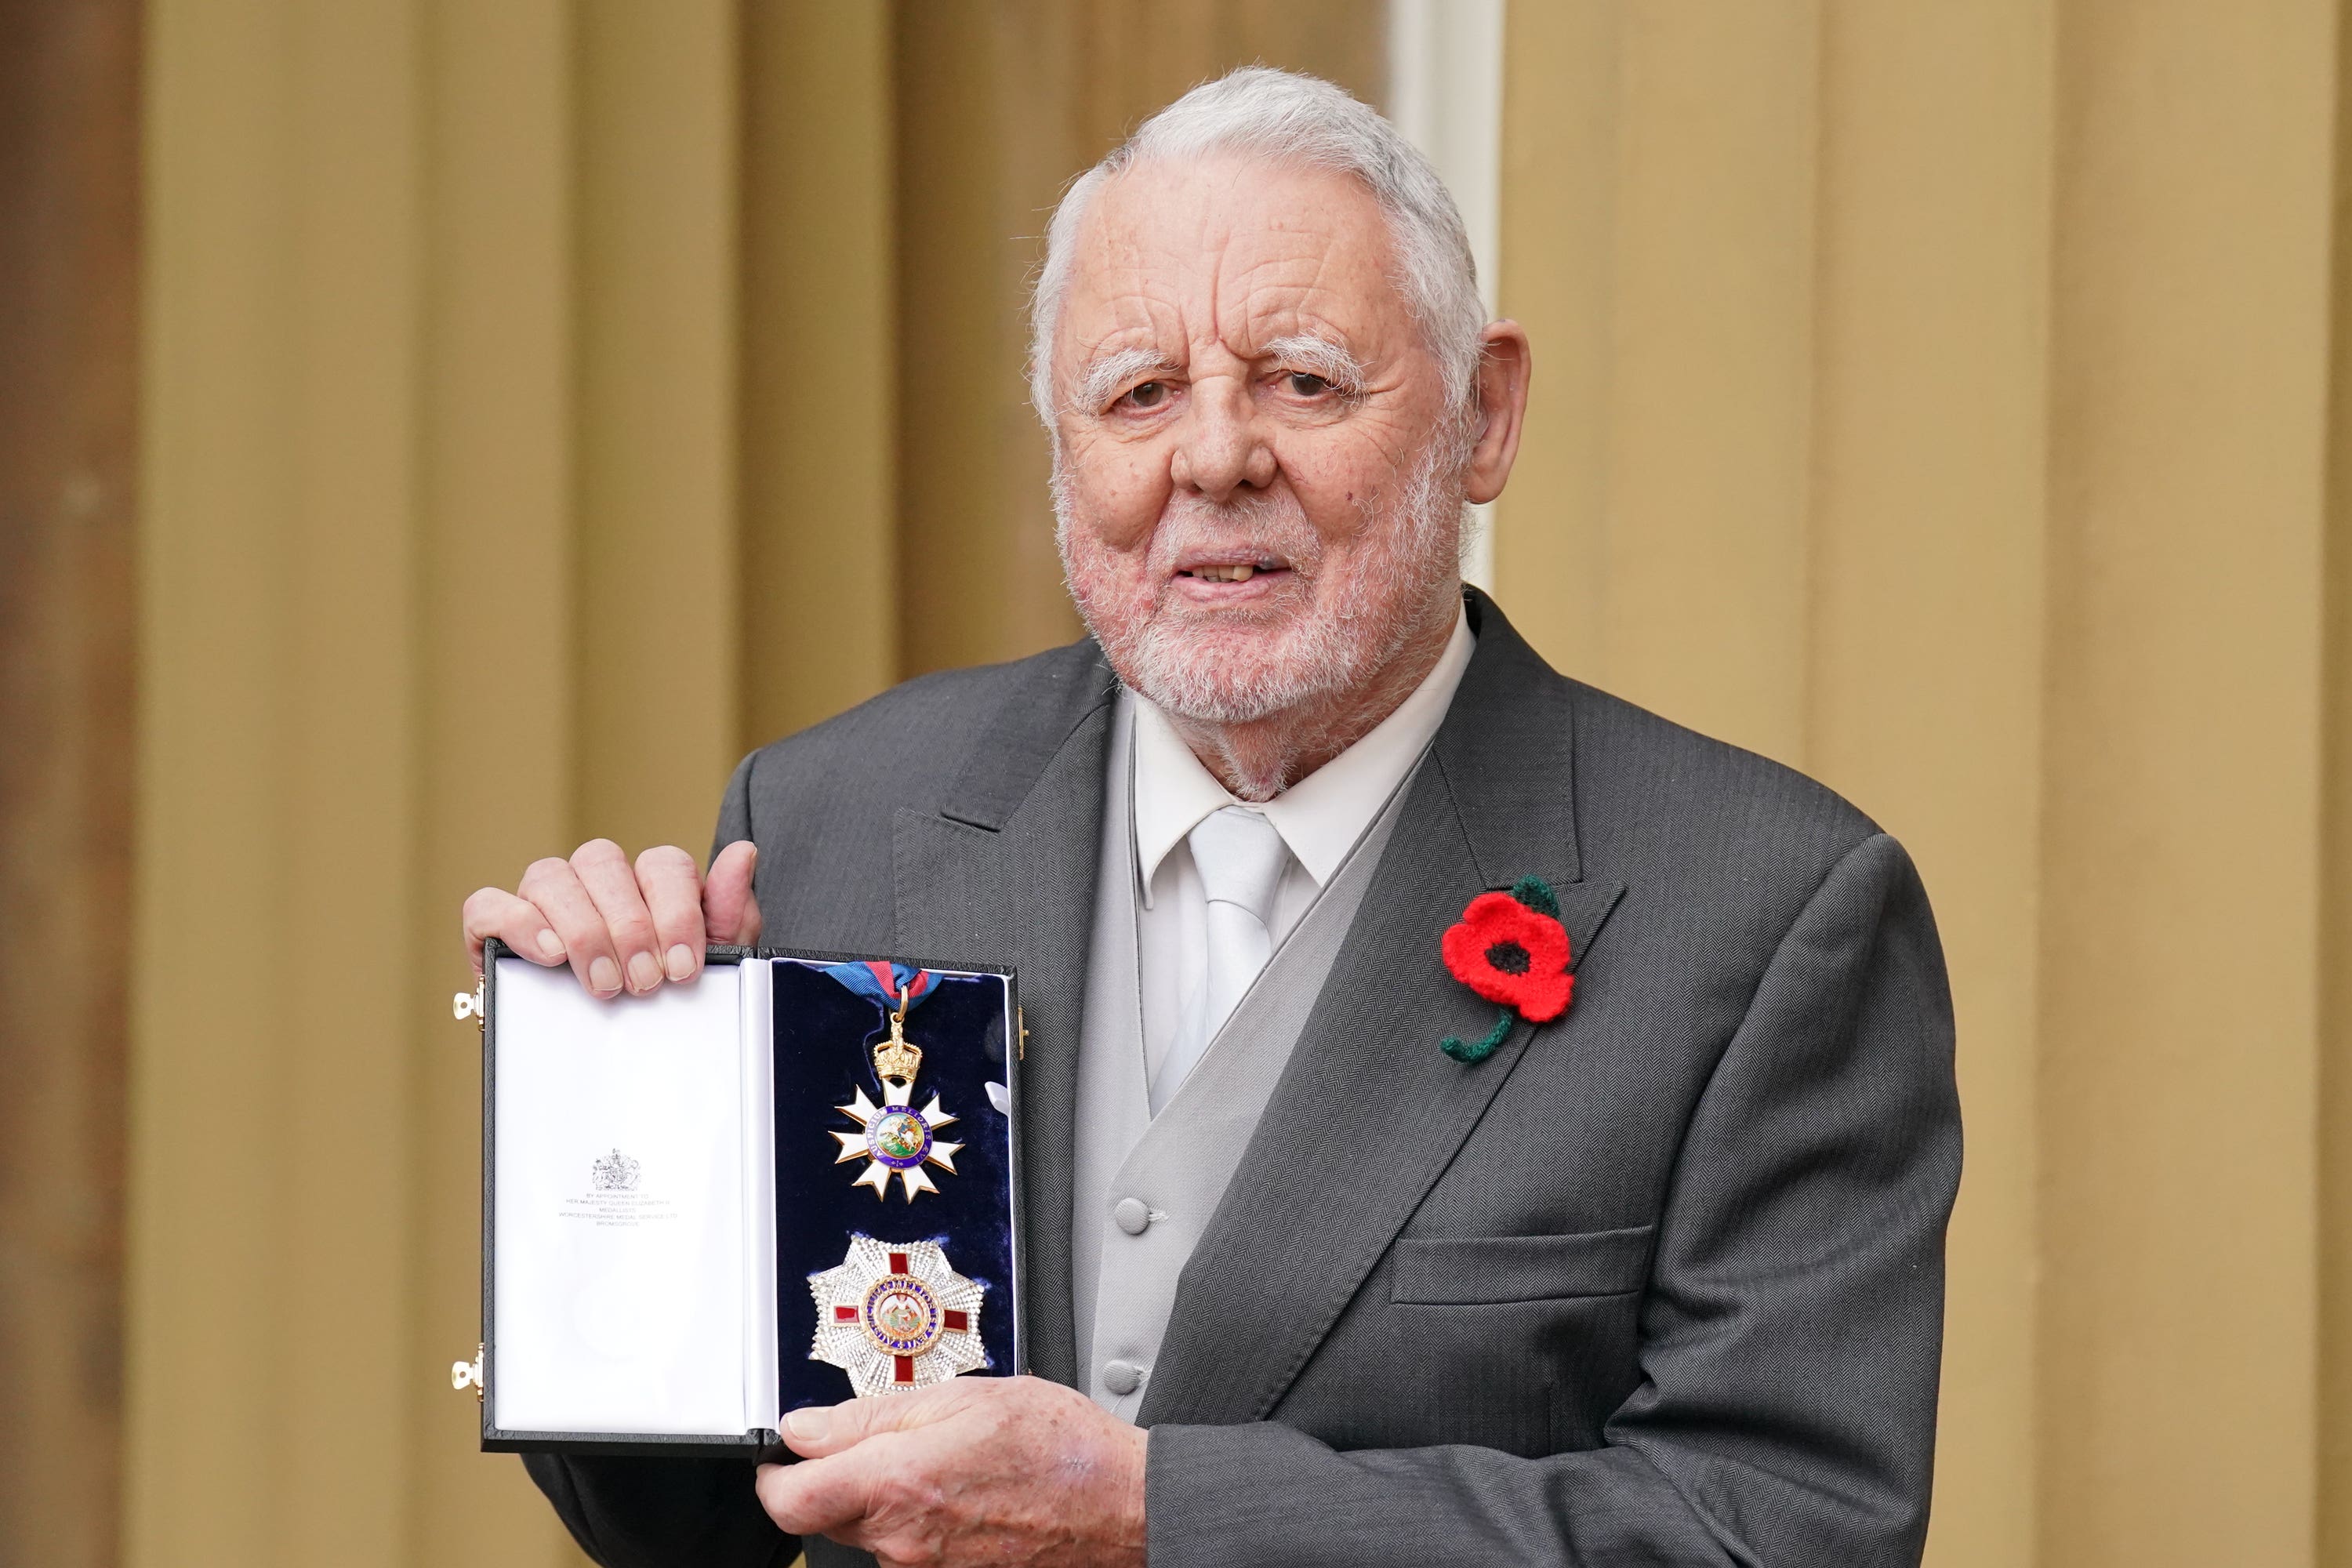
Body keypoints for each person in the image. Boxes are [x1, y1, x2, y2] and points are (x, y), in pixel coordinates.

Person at [464, 67, 1959, 1568]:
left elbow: (1778, 1536)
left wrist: (1149, 1514)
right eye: (1138, 394)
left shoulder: (1771, 914)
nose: (1216, 457)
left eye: (1305, 381)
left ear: (1485, 416)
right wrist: (609, 1104)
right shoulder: (831, 815)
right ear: (1064, 448)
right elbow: (686, 1529)